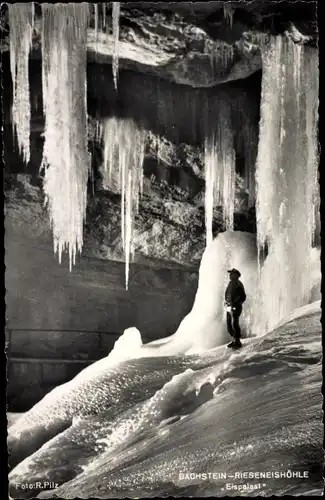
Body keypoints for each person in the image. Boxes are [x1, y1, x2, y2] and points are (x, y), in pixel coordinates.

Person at [225, 268, 246, 348]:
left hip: (235, 306)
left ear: (236, 275)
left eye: (231, 273)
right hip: (229, 306)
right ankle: (234, 340)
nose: (230, 275)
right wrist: (227, 302)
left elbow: (243, 296)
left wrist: (236, 303)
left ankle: (237, 341)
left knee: (234, 323)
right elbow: (227, 294)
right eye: (230, 274)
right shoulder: (230, 283)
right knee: (229, 324)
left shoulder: (238, 283)